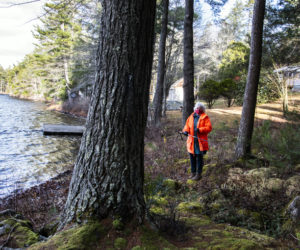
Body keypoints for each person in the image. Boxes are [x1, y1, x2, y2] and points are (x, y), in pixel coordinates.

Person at [182, 102, 212, 180]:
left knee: (199, 158)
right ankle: (193, 173)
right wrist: (185, 131)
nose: (197, 109)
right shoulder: (191, 116)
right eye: (197, 108)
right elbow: (187, 125)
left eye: (199, 108)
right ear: (195, 108)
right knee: (192, 157)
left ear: (202, 109)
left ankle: (199, 174)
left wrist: (200, 130)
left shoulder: (205, 117)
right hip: (191, 141)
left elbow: (209, 128)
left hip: (200, 142)